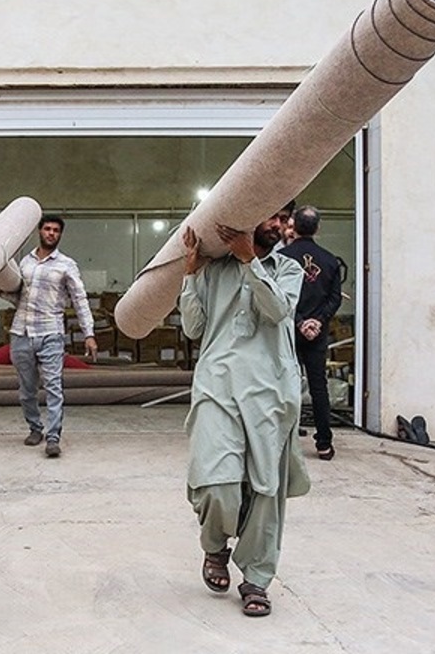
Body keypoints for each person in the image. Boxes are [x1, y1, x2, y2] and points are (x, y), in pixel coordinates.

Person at [178, 209, 312, 618]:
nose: (278, 224)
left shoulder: (286, 269)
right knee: (218, 483)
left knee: (265, 492)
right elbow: (193, 328)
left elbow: (276, 311)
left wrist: (249, 261)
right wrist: (190, 272)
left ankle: (256, 577)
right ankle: (214, 547)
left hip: (270, 393)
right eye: (270, 216)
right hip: (217, 386)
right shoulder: (213, 270)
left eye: (283, 218)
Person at [0, 214, 97, 458]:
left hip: (51, 332)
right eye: (47, 229)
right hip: (21, 332)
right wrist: (0, 290)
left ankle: (53, 437)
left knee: (53, 387)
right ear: (39, 231)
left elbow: (80, 300)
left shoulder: (66, 265)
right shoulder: (23, 263)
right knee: (27, 389)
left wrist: (88, 334)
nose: (51, 233)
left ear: (60, 235)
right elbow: (19, 297)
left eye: (56, 230)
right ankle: (35, 428)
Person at [279, 204, 344, 461]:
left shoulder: (283, 258)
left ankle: (286, 442)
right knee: (319, 387)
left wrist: (299, 321)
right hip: (317, 334)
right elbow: (335, 298)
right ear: (318, 228)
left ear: (293, 225)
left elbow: (279, 296)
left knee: (286, 385)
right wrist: (317, 321)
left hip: (289, 331)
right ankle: (324, 444)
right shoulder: (329, 260)